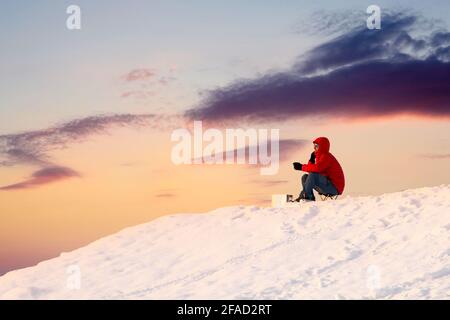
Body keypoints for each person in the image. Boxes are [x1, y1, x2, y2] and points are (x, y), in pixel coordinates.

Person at [292, 137, 345, 201]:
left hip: (334, 187)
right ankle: (309, 197)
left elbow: (316, 169)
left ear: (322, 146)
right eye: (314, 146)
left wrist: (301, 167)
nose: (314, 148)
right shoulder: (321, 157)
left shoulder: (326, 156)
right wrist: (311, 160)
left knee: (313, 174)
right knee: (305, 177)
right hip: (327, 184)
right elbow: (312, 172)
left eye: (316, 146)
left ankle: (306, 196)